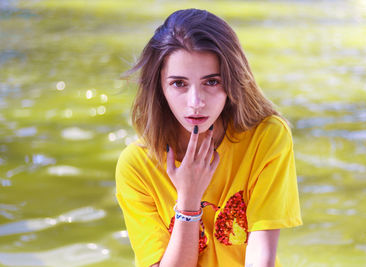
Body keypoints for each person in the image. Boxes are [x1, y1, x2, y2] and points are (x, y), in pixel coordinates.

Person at [115, 8, 302, 267]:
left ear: (232, 80)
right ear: (159, 87)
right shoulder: (136, 165)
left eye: (211, 82)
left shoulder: (266, 137)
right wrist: (188, 202)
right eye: (179, 83)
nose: (196, 103)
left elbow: (261, 259)